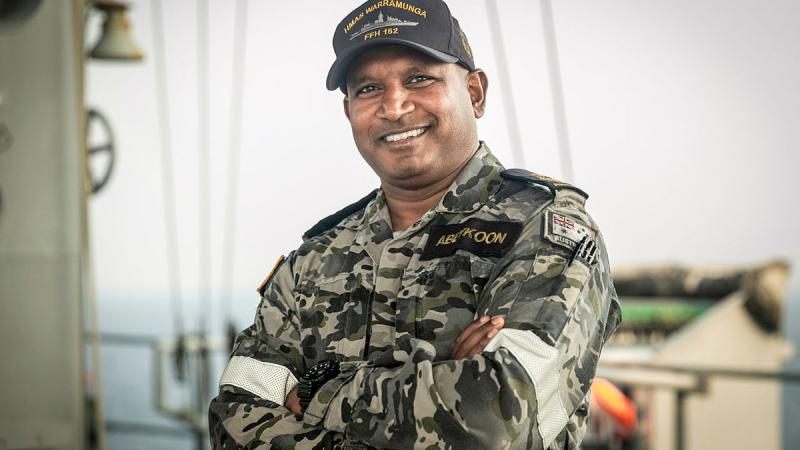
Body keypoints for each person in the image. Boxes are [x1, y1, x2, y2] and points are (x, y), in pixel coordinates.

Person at [208, 0, 620, 448]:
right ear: (349, 112)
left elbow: (499, 416)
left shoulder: (543, 228)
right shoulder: (312, 261)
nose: (394, 106)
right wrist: (444, 380)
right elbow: (233, 419)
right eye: (368, 89)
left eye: (419, 79)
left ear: (475, 93)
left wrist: (315, 395)